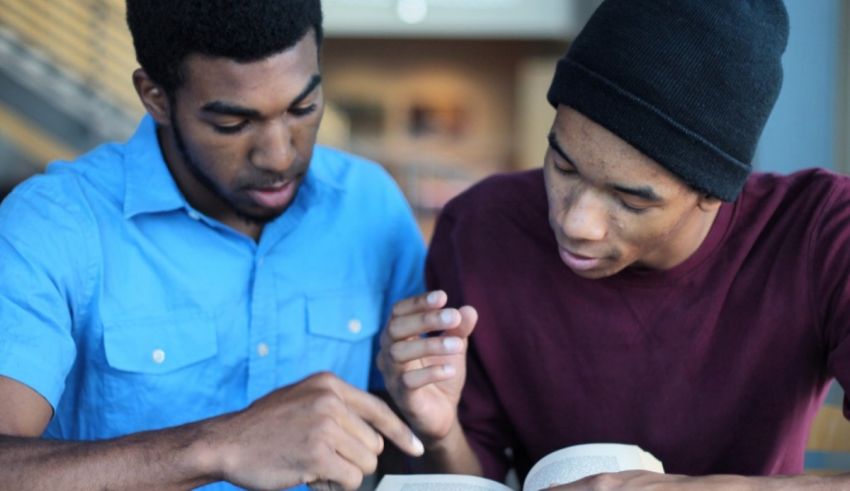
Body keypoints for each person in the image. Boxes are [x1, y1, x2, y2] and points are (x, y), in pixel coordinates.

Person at [379, 0, 850, 488]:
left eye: (631, 200)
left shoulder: (822, 232)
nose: (576, 222)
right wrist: (440, 433)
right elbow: (478, 479)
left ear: (712, 195)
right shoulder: (480, 228)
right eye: (563, 167)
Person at [0, 1, 426, 490]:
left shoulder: (369, 205)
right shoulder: (56, 222)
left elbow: (407, 432)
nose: (278, 155)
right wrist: (218, 445)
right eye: (232, 123)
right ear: (155, 97)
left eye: (303, 108)